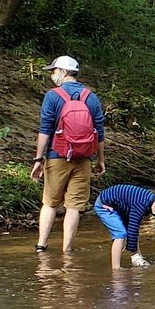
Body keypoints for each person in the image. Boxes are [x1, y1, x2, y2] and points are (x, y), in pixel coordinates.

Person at [30, 56, 106, 254]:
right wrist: (100, 160)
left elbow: (45, 129)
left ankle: (41, 246)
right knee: (73, 207)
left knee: (49, 203)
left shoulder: (53, 96)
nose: (52, 75)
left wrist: (38, 159)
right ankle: (67, 251)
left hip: (57, 155)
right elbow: (99, 132)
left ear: (63, 72)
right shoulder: (91, 97)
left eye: (54, 71)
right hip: (84, 158)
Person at [92, 183, 155, 269]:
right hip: (104, 206)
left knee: (132, 231)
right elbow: (132, 229)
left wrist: (137, 255)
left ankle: (138, 256)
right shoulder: (140, 205)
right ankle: (116, 269)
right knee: (120, 234)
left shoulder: (148, 200)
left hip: (120, 206)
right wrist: (133, 253)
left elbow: (134, 228)